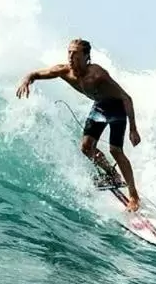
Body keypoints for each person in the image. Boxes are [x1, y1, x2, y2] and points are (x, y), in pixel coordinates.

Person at [15, 39, 142, 211]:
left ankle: (134, 196)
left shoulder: (97, 74)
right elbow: (36, 74)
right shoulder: (64, 71)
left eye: (75, 53)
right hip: (99, 106)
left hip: (117, 107)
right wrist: (27, 80)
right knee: (86, 147)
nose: (71, 56)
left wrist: (133, 129)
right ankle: (112, 175)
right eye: (69, 52)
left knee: (115, 150)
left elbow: (127, 98)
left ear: (86, 56)